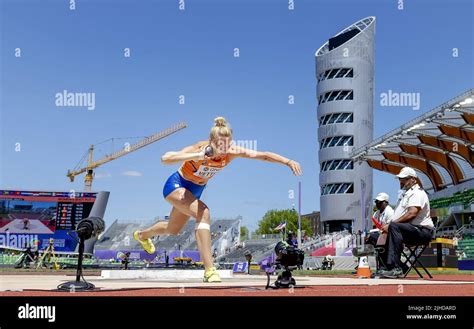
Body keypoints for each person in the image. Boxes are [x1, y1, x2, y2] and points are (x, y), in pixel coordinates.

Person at [133, 117, 302, 282]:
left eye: (227, 144)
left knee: (173, 229)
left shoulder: (231, 152)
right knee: (203, 213)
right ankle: (209, 270)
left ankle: (142, 235)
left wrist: (287, 161)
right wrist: (196, 155)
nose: (223, 149)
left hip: (195, 191)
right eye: (220, 144)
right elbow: (166, 158)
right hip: (176, 185)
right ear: (211, 141)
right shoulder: (200, 148)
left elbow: (262, 155)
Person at [379, 167, 434, 278]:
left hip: (422, 232)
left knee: (393, 227)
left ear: (413, 179)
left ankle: (395, 268)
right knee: (376, 236)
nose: (401, 181)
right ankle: (393, 267)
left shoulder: (417, 193)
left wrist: (389, 225)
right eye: (400, 179)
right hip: (410, 230)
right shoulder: (406, 194)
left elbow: (411, 214)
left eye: (404, 179)